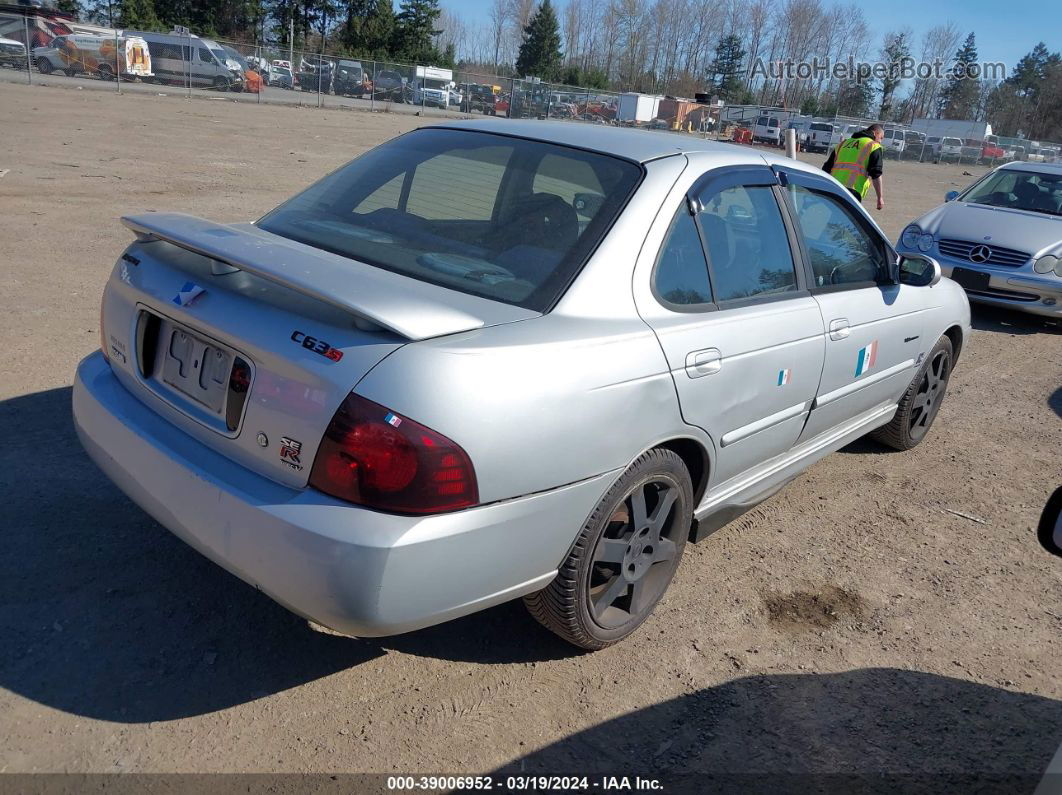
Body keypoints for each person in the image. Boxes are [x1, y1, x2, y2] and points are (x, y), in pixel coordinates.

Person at [823, 124, 885, 210]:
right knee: (844, 221)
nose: (880, 141)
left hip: (834, 188)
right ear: (875, 133)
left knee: (835, 218)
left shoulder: (843, 143)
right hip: (852, 190)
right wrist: (880, 198)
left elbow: (826, 168)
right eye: (881, 138)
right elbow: (876, 174)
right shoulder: (873, 146)